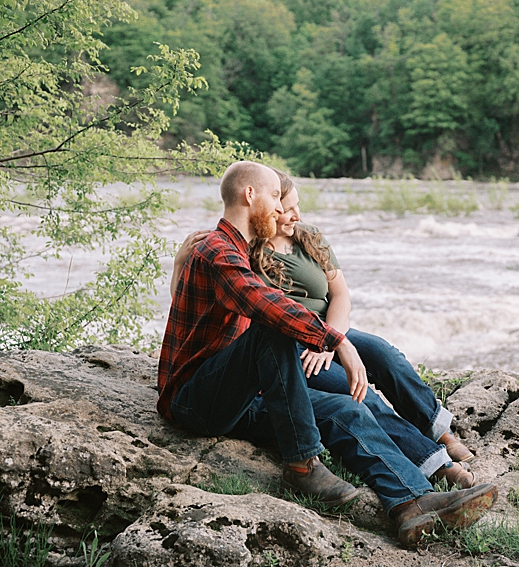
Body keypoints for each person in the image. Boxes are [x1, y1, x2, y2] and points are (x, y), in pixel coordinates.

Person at [161, 161, 497, 545]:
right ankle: (302, 466)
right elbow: (263, 302)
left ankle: (411, 503)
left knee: (347, 410)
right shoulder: (217, 250)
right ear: (249, 195)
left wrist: (337, 338)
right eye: (275, 196)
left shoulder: (241, 248)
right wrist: (338, 341)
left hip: (242, 397)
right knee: (273, 328)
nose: (281, 208)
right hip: (195, 400)